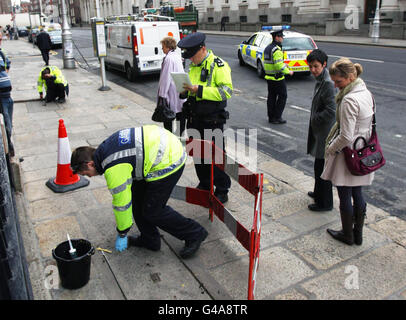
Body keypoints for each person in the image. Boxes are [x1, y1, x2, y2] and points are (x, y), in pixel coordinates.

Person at [70, 125, 208, 258]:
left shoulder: (113, 168)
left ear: (90, 164)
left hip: (168, 159)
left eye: (86, 173)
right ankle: (150, 240)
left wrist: (122, 233)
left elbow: (121, 204)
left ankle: (194, 233)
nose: (89, 176)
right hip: (161, 147)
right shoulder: (103, 150)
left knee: (153, 210)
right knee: (138, 200)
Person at [321, 58, 374, 246]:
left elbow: (345, 136)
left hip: (347, 154)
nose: (335, 85)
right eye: (334, 81)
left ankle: (347, 234)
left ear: (350, 77)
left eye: (339, 82)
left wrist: (330, 148)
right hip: (363, 150)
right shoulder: (365, 92)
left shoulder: (349, 100)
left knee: (344, 194)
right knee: (357, 192)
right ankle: (358, 235)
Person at [177, 32, 233, 204]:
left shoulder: (219, 65)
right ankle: (205, 183)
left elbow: (226, 92)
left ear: (203, 49)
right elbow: (190, 90)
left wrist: (198, 90)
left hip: (212, 120)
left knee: (215, 157)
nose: (191, 60)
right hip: (195, 118)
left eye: (193, 56)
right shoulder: (193, 67)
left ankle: (222, 189)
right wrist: (184, 91)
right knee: (199, 156)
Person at [306, 49, 336, 212]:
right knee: (318, 165)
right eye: (310, 66)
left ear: (324, 64)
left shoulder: (328, 83)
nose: (312, 70)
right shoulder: (321, 79)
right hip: (319, 131)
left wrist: (315, 118)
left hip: (325, 133)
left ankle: (325, 203)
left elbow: (332, 110)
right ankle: (318, 193)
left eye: (316, 66)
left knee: (323, 168)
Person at [263, 29, 293, 124]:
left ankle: (271, 117)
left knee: (271, 97)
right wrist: (289, 71)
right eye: (281, 37)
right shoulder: (277, 50)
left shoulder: (268, 48)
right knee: (282, 96)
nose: (282, 38)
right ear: (277, 37)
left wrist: (284, 64)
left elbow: (272, 62)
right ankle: (277, 117)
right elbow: (278, 65)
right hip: (278, 78)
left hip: (269, 77)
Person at [158, 36, 186, 137]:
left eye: (163, 46)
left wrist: (162, 94)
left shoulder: (169, 58)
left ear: (168, 47)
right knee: (180, 115)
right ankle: (180, 136)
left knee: (167, 116)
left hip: (171, 91)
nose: (162, 48)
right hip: (180, 88)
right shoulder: (177, 56)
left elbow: (166, 77)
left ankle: (169, 137)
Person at [0, 33, 14, 156]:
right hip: (1, 97)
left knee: (9, 122)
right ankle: (8, 148)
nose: (0, 40)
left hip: (7, 94)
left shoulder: (1, 52)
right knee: (6, 123)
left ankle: (9, 145)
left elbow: (7, 64)